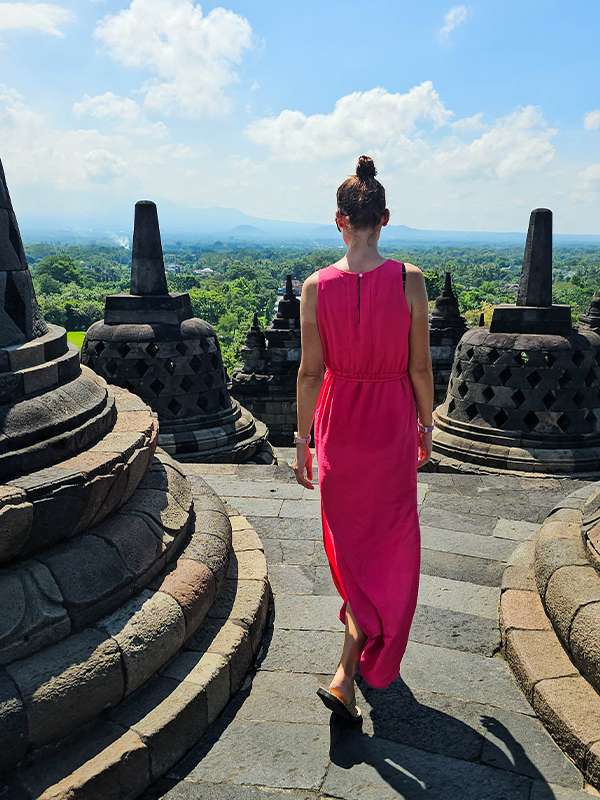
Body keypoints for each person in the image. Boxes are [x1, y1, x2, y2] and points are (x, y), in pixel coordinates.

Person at [292, 155, 434, 722]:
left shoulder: (314, 286)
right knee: (390, 548)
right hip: (390, 422)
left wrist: (302, 442)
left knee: (353, 551)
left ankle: (347, 669)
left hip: (338, 427)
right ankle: (347, 671)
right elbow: (420, 367)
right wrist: (426, 425)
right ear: (385, 218)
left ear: (339, 221)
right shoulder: (408, 280)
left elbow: (309, 372)